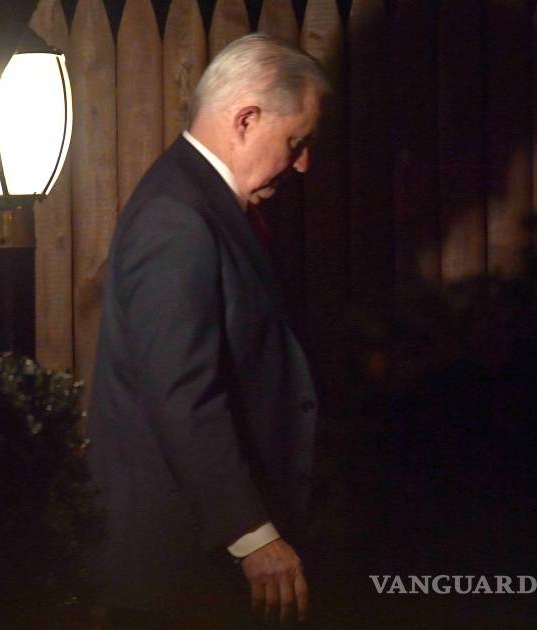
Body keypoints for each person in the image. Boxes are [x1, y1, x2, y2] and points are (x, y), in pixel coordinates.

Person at [86, 33, 329, 628]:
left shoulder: (200, 200)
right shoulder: (177, 218)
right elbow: (183, 394)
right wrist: (253, 536)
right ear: (246, 120)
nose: (304, 164)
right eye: (295, 142)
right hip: (181, 574)